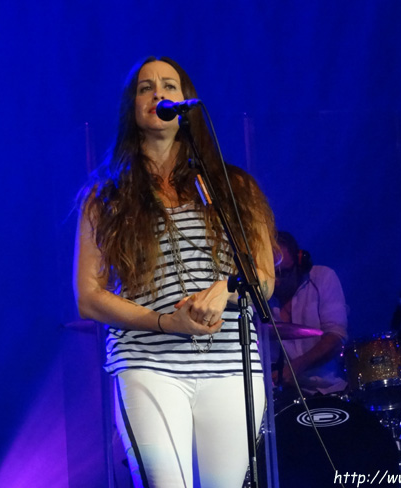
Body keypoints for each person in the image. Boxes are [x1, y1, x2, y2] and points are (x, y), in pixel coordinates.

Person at [73, 56, 276, 488]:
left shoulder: (232, 186)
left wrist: (225, 288)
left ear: (186, 102)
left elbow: (263, 277)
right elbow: (89, 296)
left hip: (229, 366)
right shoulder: (105, 195)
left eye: (169, 85)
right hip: (148, 364)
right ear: (133, 105)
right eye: (146, 87)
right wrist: (166, 322)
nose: (158, 94)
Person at [270, 231, 348, 398]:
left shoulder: (323, 278)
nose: (276, 281)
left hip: (330, 389)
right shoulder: (261, 295)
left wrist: (295, 368)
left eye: (283, 273)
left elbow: (336, 338)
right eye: (272, 273)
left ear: (300, 263)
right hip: (284, 396)